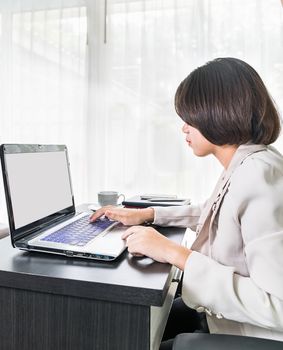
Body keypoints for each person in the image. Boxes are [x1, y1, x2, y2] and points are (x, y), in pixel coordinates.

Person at [90, 57, 283, 348]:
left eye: (190, 117)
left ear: (216, 113)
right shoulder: (248, 162)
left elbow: (277, 306)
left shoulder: (257, 175)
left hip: (253, 335)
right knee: (153, 318)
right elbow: (212, 213)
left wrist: (175, 253)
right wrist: (148, 215)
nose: (184, 128)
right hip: (228, 319)